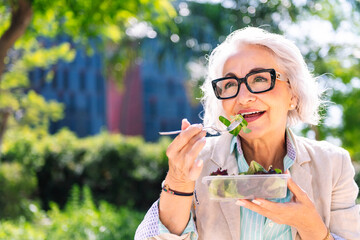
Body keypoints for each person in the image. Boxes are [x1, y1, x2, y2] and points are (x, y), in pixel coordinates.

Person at [135, 27, 360, 240]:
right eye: (230, 84)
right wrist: (178, 180)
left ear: (293, 94)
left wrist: (311, 227)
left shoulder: (332, 164)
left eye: (260, 79)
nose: (243, 98)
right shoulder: (196, 162)